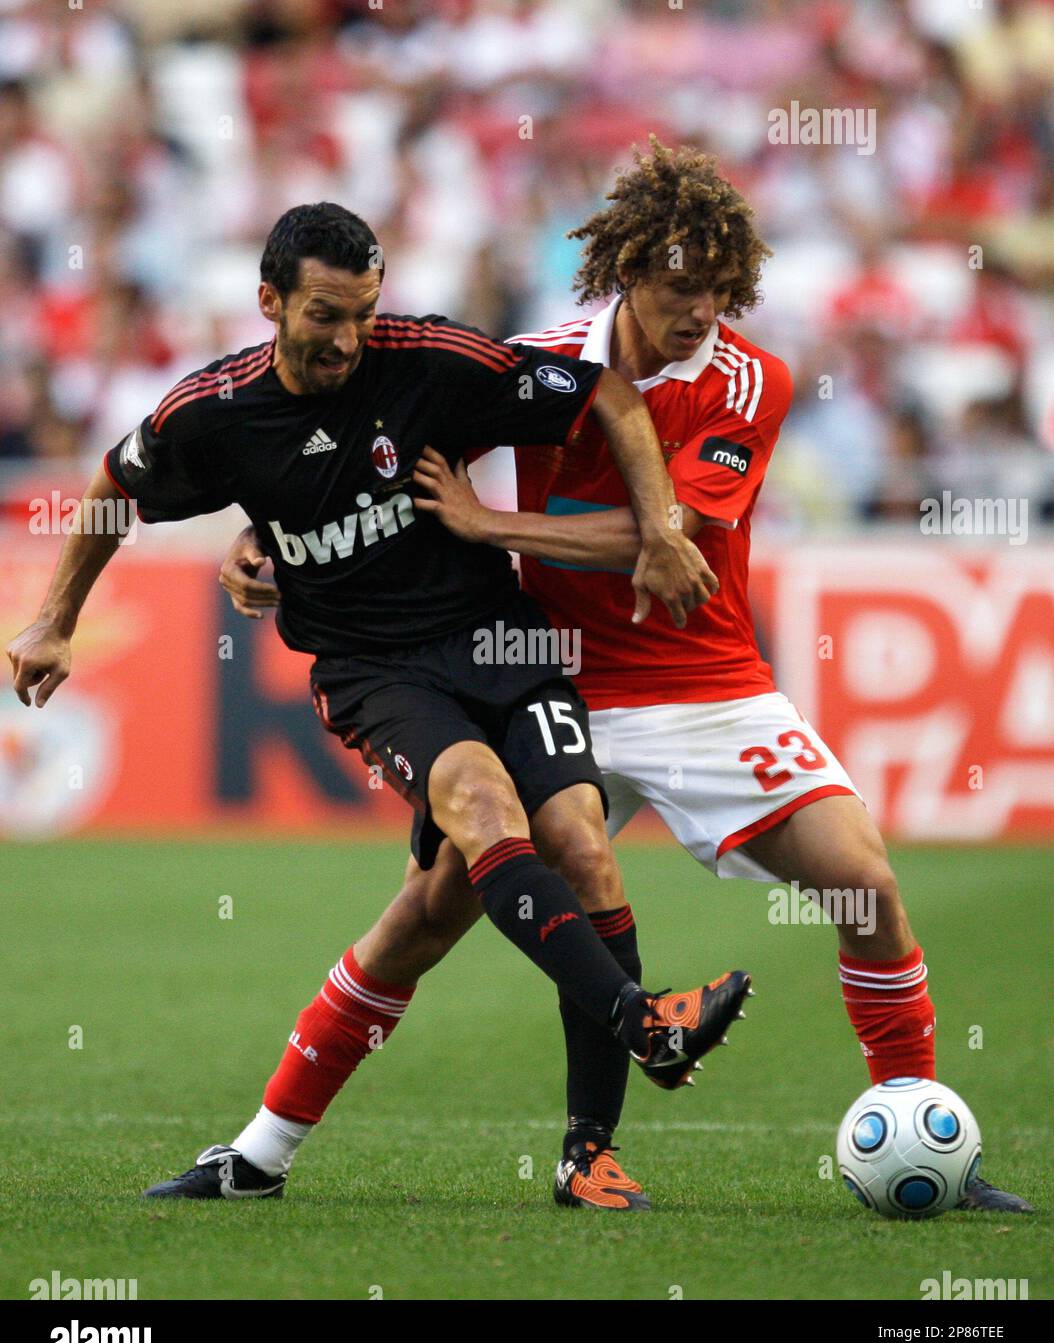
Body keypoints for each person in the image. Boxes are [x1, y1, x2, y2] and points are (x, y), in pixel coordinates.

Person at [221, 146, 1030, 1215]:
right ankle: (260, 1153)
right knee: (421, 917)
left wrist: (487, 523)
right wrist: (260, 537)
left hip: (706, 686)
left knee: (864, 883)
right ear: (625, 275)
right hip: (544, 680)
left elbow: (663, 545)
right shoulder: (535, 360)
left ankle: (916, 1121)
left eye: (715, 290)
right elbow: (368, 447)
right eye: (674, 287)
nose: (697, 311)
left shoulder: (750, 380)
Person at [5, 200, 752, 1201]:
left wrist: (659, 526)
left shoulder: (430, 360)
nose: (348, 339)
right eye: (324, 315)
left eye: (363, 312)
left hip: (502, 644)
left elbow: (607, 393)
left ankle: (577, 1155)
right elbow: (112, 483)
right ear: (268, 302)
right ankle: (643, 1021)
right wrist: (56, 619)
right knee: (485, 808)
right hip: (375, 671)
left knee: (571, 844)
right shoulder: (214, 414)